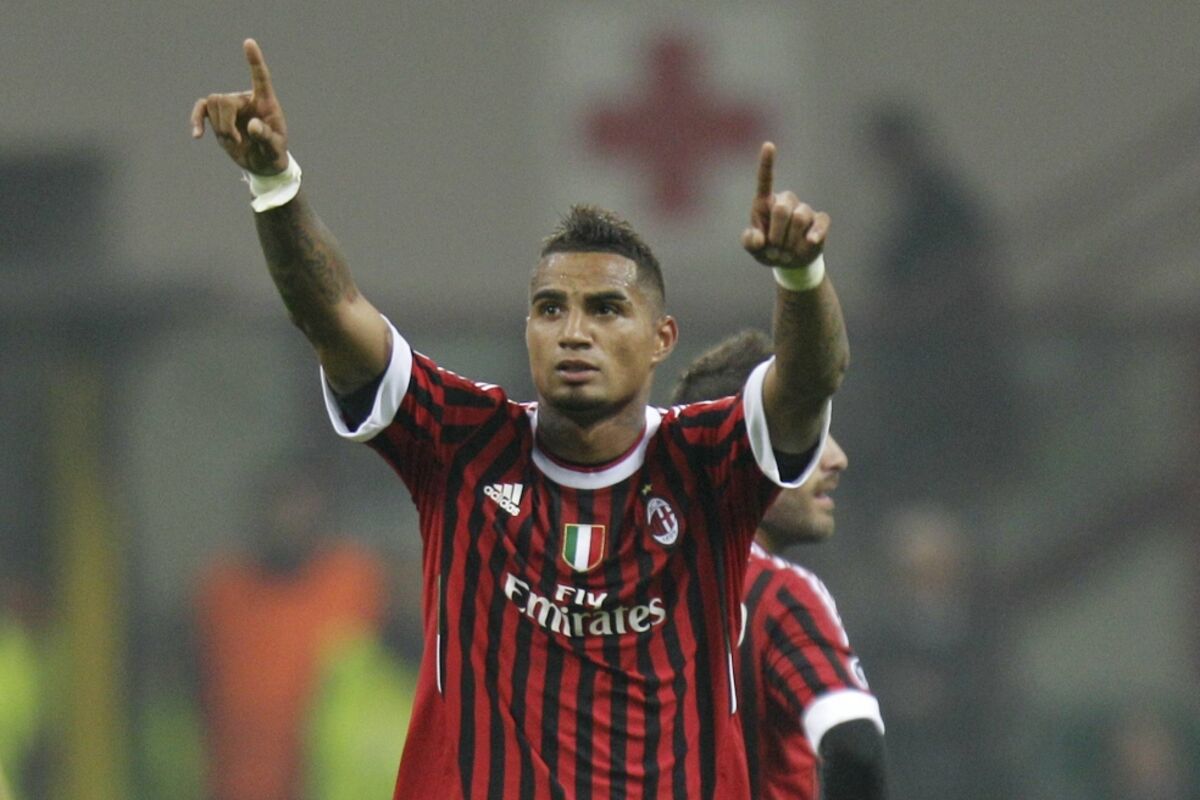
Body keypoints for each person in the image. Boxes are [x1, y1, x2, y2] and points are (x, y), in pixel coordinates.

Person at [192, 38, 848, 799]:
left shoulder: (706, 462)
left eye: (606, 309)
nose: (575, 332)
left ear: (662, 339)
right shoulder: (463, 442)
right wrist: (274, 185)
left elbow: (809, 380)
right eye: (551, 309)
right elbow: (331, 313)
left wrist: (802, 275)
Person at [672, 330, 887, 800]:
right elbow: (854, 747)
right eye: (808, 433)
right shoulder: (777, 595)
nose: (837, 458)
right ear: (738, 448)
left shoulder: (618, 579)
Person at [194, 460, 388, 800]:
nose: (288, 519)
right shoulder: (222, 592)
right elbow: (196, 684)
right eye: (279, 504)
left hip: (333, 785)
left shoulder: (355, 582)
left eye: (299, 505)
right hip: (240, 784)